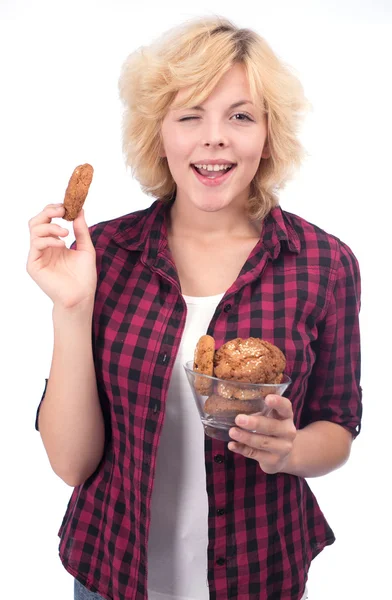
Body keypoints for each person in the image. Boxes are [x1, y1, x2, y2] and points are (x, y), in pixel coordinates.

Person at [26, 14, 362, 600]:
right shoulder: (101, 254)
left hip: (262, 574)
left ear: (268, 134)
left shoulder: (324, 263)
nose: (215, 137)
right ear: (159, 135)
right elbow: (72, 465)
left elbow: (337, 424)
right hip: (112, 574)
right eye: (189, 116)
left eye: (240, 115)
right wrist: (72, 307)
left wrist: (290, 451)